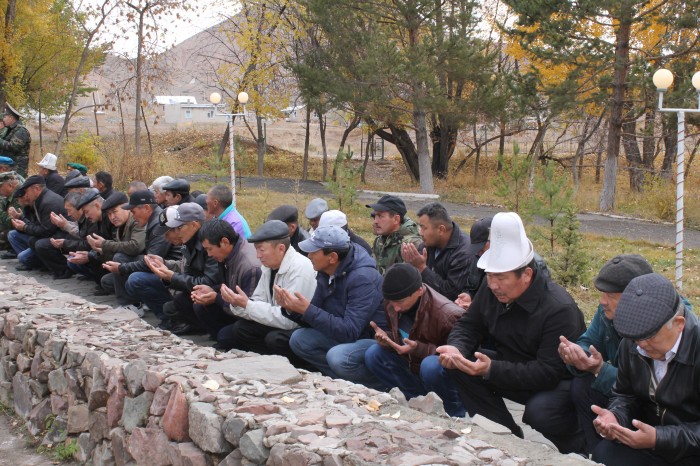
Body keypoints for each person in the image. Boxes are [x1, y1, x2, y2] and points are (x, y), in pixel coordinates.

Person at [436, 212, 586, 454]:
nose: (493, 284)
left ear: (526, 275)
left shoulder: (559, 309)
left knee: (540, 411)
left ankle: (577, 450)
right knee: (460, 364)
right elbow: (469, 325)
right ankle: (504, 436)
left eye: (501, 277)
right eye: (490, 275)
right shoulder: (490, 289)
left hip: (556, 382)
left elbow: (549, 372)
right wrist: (457, 348)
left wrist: (491, 369)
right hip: (511, 365)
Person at [591, 273, 700, 465]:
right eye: (636, 338)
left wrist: (659, 438)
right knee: (605, 453)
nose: (641, 345)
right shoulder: (632, 343)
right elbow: (624, 395)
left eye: (650, 337)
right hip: (650, 439)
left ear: (678, 324)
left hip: (691, 449)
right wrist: (615, 416)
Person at [558, 254, 654, 454]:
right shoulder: (606, 314)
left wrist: (600, 370)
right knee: (581, 385)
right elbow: (588, 341)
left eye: (610, 295)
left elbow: (648, 388)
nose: (602, 301)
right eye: (602, 294)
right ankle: (595, 451)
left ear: (637, 296)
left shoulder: (664, 325)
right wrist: (579, 354)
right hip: (624, 398)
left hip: (656, 411)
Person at [278, 226, 387, 389]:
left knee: (338, 357)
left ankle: (377, 387)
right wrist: (292, 308)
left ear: (332, 257)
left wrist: (307, 310)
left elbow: (350, 331)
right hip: (347, 334)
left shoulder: (362, 278)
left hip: (373, 339)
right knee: (299, 339)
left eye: (314, 252)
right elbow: (316, 316)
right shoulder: (326, 271)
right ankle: (339, 383)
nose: (309, 255)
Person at [364, 264, 466, 416]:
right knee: (374, 353)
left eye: (400, 302)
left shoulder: (448, 315)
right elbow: (401, 335)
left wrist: (419, 349)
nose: (395, 308)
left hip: (440, 372)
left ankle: (453, 412)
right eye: (391, 302)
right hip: (412, 363)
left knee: (430, 366)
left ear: (419, 291)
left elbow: (459, 356)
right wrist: (388, 339)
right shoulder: (392, 302)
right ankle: (415, 401)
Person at [217, 220, 316, 366]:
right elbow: (259, 300)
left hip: (298, 326)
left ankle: (294, 367)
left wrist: (248, 305)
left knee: (274, 339)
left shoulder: (300, 268)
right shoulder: (269, 267)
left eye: (261, 250)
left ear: (281, 248)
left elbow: (290, 320)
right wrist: (237, 303)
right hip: (277, 320)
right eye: (256, 250)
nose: (258, 256)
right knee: (239, 330)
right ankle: (266, 362)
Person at [141, 203, 220, 333]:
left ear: (194, 225)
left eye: (179, 227)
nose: (177, 232)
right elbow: (187, 271)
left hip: (216, 294)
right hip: (199, 289)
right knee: (174, 304)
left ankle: (209, 329)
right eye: (176, 228)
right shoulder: (189, 243)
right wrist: (166, 267)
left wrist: (171, 276)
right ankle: (197, 326)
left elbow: (208, 282)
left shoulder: (209, 244)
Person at [101, 190, 182, 316]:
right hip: (165, 265)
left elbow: (152, 262)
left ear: (146, 208)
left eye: (133, 211)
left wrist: (121, 268)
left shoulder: (159, 223)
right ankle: (134, 304)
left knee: (135, 278)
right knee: (109, 278)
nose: (133, 216)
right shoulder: (153, 220)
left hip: (172, 268)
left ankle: (167, 317)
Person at [191, 219, 261, 342]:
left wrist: (216, 298)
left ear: (225, 242)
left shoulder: (250, 267)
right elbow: (229, 285)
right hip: (234, 306)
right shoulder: (227, 254)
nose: (209, 254)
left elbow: (250, 310)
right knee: (199, 306)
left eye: (210, 249)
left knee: (226, 336)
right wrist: (211, 290)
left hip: (252, 317)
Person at [401, 202, 473, 301]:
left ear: (441, 229)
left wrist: (422, 268)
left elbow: (451, 294)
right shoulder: (428, 244)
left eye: (424, 228)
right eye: (419, 227)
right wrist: (409, 264)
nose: (420, 232)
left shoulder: (463, 253)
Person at [82, 192, 146, 293]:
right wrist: (101, 251)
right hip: (131, 264)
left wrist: (104, 244)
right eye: (109, 214)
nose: (112, 217)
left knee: (119, 257)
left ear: (126, 208)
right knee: (106, 281)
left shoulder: (136, 220)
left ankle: (125, 300)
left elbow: (135, 247)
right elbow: (116, 252)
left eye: (115, 212)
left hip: (146, 262)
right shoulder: (119, 227)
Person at [7, 176, 66, 271]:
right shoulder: (40, 200)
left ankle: (63, 269)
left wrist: (24, 227)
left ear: (36, 188)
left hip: (61, 236)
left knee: (30, 251)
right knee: (17, 236)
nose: (26, 195)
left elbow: (46, 231)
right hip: (50, 234)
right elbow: (36, 225)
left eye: (27, 191)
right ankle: (43, 263)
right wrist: (21, 218)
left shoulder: (48, 202)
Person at [366, 194, 421, 274]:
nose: (375, 221)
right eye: (375, 216)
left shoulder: (411, 244)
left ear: (396, 219)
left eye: (380, 216)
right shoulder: (380, 240)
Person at [0, 104, 31, 177]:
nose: (3, 119)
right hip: (9, 167)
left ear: (11, 118)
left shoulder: (21, 130)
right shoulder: (10, 129)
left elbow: (13, 147)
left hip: (17, 168)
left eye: (5, 117)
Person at [0, 172, 22, 252]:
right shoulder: (9, 196)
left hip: (17, 233)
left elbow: (12, 222)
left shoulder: (19, 196)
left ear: (9, 186)